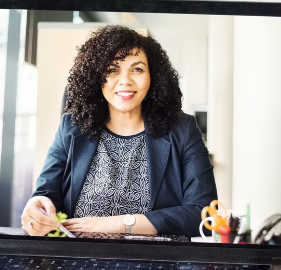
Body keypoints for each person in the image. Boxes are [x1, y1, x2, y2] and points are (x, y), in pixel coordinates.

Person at [20, 25, 217, 237]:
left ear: (153, 77)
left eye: (137, 69)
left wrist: (119, 223)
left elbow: (204, 214)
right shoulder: (71, 127)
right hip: (81, 263)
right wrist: (36, 207)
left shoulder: (182, 129)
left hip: (158, 265)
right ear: (96, 77)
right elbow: (45, 194)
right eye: (112, 70)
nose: (125, 81)